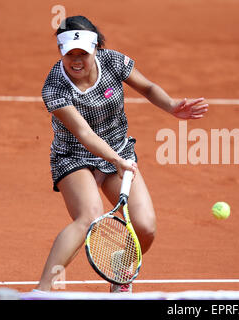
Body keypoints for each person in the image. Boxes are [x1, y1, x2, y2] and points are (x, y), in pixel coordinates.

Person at [36, 15, 208, 293]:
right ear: (61, 52)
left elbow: (148, 87)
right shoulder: (54, 86)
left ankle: (122, 269)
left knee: (145, 227)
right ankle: (42, 291)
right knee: (88, 216)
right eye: (70, 54)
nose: (76, 61)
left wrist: (172, 105)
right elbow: (84, 134)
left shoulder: (113, 61)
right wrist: (116, 161)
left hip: (118, 151)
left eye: (84, 54)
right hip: (74, 157)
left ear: (96, 50)